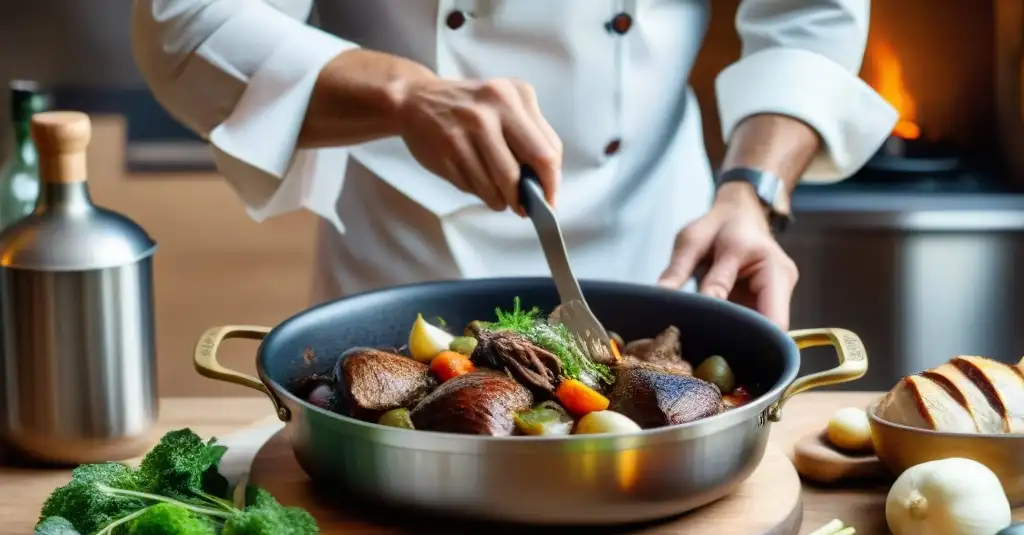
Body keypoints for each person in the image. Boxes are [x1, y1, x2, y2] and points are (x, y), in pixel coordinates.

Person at [132, 1, 896, 330]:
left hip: (659, 245)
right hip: (401, 261)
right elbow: (183, 23)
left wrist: (752, 192)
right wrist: (408, 94)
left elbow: (809, 13)